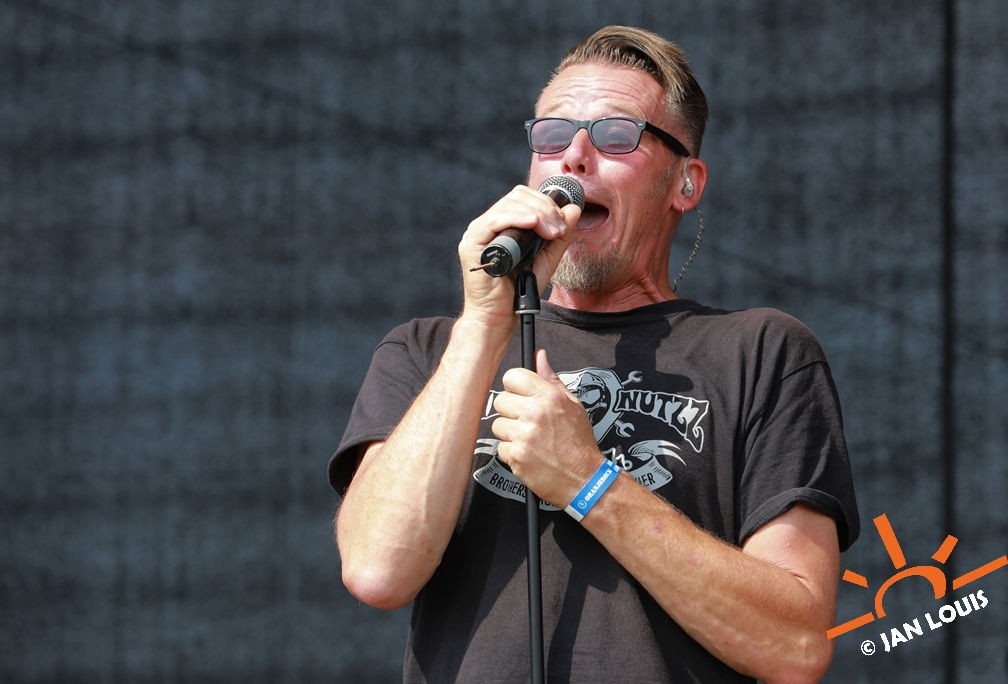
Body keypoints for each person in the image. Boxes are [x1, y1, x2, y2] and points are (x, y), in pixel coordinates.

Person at [330, 25, 859, 683]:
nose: (575, 157)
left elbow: (795, 645)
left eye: (615, 136)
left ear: (685, 182)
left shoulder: (763, 352)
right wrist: (485, 323)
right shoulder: (427, 350)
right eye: (552, 135)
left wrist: (588, 480)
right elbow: (378, 570)